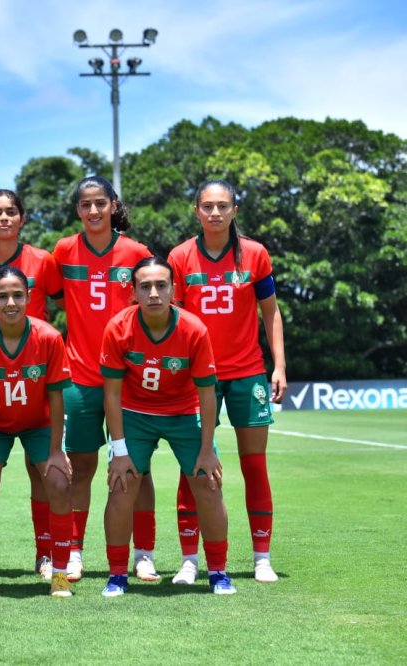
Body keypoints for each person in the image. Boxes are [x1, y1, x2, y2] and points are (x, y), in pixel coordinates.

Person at [167, 180, 287, 584]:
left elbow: (271, 312)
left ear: (235, 209)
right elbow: (175, 321)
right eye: (207, 206)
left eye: (222, 206)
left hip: (248, 371)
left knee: (255, 466)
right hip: (198, 377)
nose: (215, 213)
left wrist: (279, 365)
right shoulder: (181, 256)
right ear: (196, 210)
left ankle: (261, 557)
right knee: (194, 469)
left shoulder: (255, 254)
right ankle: (189, 559)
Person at [99, 256, 236, 596]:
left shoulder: (194, 329)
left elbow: (208, 394)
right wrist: (119, 452)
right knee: (122, 485)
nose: (154, 293)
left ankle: (218, 570)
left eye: (161, 285)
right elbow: (112, 395)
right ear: (133, 292)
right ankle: (117, 575)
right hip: (134, 412)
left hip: (184, 412)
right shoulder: (118, 327)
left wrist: (207, 451)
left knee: (208, 484)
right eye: (145, 286)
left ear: (174, 289)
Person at [51, 176, 157, 583]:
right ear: (77, 210)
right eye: (85, 204)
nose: (93, 211)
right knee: (81, 467)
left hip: (127, 380)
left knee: (136, 469)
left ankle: (143, 553)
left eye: (100, 203)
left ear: (114, 205)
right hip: (79, 376)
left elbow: (156, 304)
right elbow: (53, 296)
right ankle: (75, 552)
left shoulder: (136, 252)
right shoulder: (63, 251)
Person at [0, 189, 63, 579]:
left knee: (47, 475)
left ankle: (47, 555)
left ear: (22, 218)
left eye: (11, 212)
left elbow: (63, 301)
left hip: (35, 375)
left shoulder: (43, 260)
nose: (4, 218)